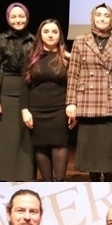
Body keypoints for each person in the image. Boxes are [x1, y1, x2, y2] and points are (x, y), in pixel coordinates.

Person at [66, 4, 112, 182]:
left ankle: (108, 180)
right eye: (99, 15)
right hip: (87, 99)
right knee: (90, 147)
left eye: (106, 15)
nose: (102, 18)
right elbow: (73, 73)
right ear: (93, 18)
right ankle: (94, 181)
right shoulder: (80, 41)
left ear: (111, 19)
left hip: (111, 100)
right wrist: (71, 102)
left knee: (108, 146)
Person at [0, 2, 36, 182]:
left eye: (21, 16)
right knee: (3, 138)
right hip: (5, 93)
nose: (18, 20)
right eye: (14, 16)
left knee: (25, 137)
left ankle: (24, 175)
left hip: (29, 93)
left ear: (27, 18)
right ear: (7, 18)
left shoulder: (35, 41)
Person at [22, 19, 71, 182]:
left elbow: (74, 85)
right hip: (36, 109)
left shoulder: (67, 58)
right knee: (40, 146)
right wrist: (25, 110)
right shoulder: (31, 57)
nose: (50, 35)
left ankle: (58, 183)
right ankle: (47, 184)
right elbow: (24, 85)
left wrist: (73, 107)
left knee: (59, 144)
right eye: (46, 32)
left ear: (60, 36)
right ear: (40, 35)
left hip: (60, 109)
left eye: (54, 32)